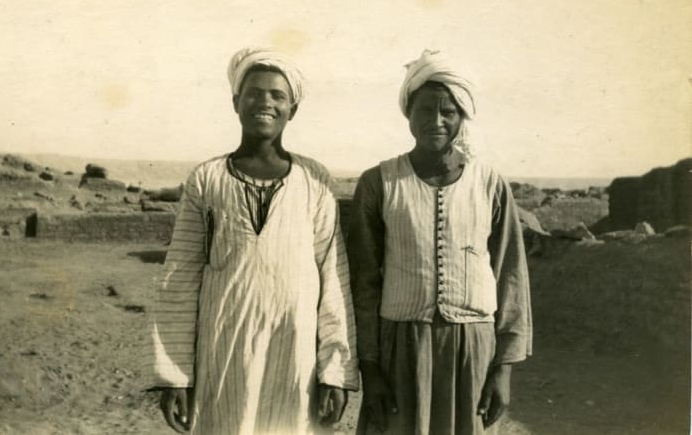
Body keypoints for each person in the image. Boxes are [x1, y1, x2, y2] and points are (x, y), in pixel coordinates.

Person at [148, 47, 359, 434]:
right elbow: (178, 280)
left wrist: (334, 370)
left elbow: (334, 277)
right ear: (235, 102)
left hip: (295, 357)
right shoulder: (206, 179)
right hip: (224, 353)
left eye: (278, 95)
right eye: (254, 93)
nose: (265, 102)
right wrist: (176, 376)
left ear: (292, 109)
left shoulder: (315, 180)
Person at [347, 49, 532, 435]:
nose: (436, 121)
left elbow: (510, 275)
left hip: (472, 352)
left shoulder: (489, 183)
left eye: (448, 111)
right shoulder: (379, 183)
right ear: (408, 113)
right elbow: (364, 283)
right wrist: (370, 367)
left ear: (462, 117)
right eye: (426, 110)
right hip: (401, 349)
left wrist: (504, 370)